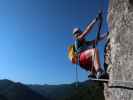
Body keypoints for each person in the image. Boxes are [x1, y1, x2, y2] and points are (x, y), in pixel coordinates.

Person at [72, 12, 109, 78]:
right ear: (75, 36)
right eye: (76, 33)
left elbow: (95, 41)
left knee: (101, 75)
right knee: (94, 51)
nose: (78, 33)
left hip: (85, 63)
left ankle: (95, 73)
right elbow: (87, 30)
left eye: (78, 32)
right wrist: (96, 19)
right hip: (81, 58)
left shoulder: (85, 43)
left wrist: (105, 35)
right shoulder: (78, 40)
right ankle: (98, 71)